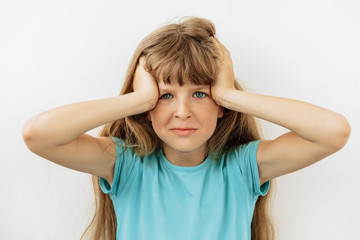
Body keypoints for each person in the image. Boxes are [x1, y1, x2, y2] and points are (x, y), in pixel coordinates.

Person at [22, 16, 351, 240]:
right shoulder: (126, 165)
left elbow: (333, 131)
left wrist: (229, 94)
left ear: (220, 106)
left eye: (199, 93)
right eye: (166, 95)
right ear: (146, 106)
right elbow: (38, 135)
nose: (183, 112)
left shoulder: (242, 168)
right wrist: (137, 101)